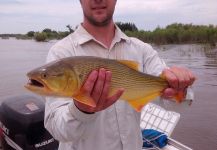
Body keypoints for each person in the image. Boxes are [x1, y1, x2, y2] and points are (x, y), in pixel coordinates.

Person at [44, 0, 195, 150]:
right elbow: (57, 130)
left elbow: (176, 103)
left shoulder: (142, 50)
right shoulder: (61, 53)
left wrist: (180, 88)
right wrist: (81, 110)